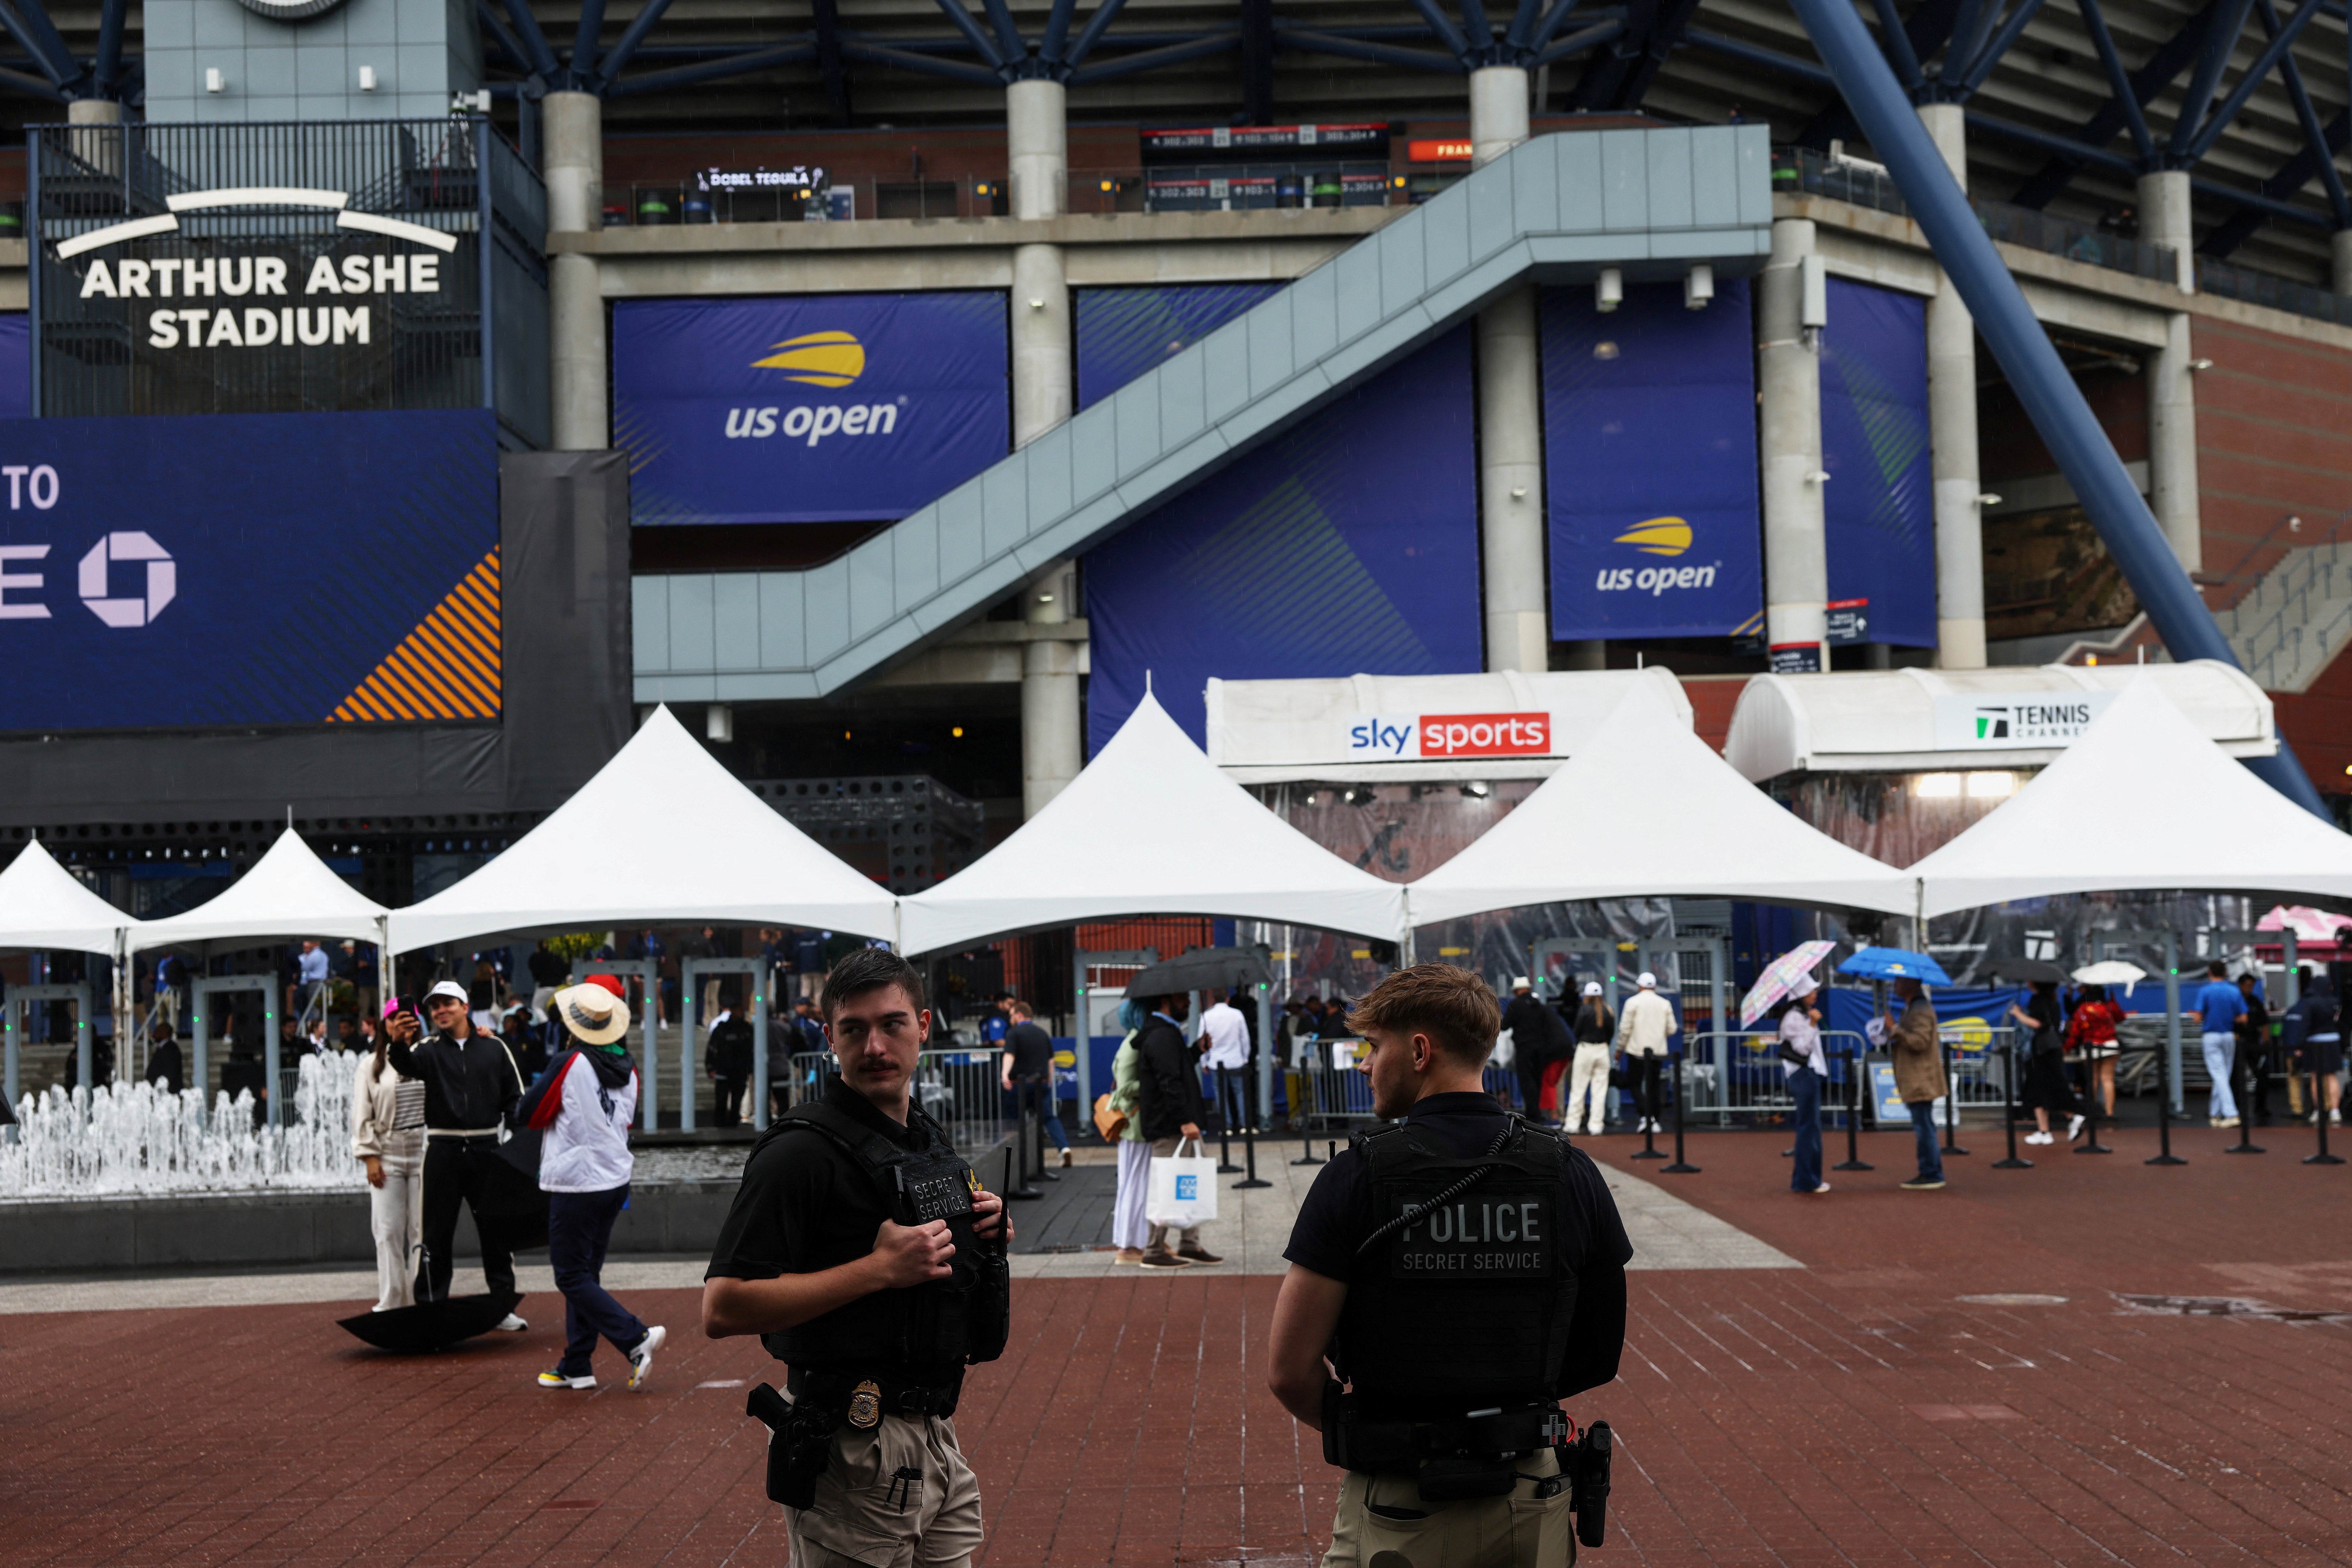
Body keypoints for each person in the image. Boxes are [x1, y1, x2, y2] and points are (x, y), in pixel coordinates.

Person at [1266, 964, 1632, 1568]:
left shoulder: (1355, 1176)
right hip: (1528, 1500)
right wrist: (1502, 1402)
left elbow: (1288, 1369)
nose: (1364, 1064)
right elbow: (1597, 1350)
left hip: (1400, 1504)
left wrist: (1377, 1430)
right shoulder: (1568, 1170)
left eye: (1373, 1046)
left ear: (1417, 1049)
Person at [702, 948, 1011, 1568]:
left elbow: (933, 1256)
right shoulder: (797, 1155)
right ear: (828, 1036)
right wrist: (875, 1270)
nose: (874, 1045)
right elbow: (723, 1303)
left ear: (924, 1024)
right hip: (849, 1445)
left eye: (891, 1023)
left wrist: (988, 1226)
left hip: (934, 1439)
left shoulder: (921, 1134)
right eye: (853, 1028)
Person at [519, 979, 665, 1391]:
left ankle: (635, 1337)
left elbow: (528, 1112)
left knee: (570, 1275)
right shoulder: (628, 1064)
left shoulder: (569, 1060)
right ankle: (577, 1362)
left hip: (576, 1182)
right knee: (587, 1274)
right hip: (614, 1176)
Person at [388, 978, 530, 1322]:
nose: (440, 1010)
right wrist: (397, 1043)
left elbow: (515, 1102)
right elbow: (405, 1065)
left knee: (496, 1231)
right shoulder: (427, 1048)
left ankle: (502, 1305)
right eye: (435, 1005)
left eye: (448, 1003)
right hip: (443, 1149)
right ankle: (431, 1307)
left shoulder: (494, 1047)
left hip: (487, 1149)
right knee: (435, 1233)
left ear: (465, 1007)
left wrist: (524, 1148)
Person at [352, 1001, 427, 1313]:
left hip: (425, 1147)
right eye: (395, 1018)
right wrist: (369, 1155)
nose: (401, 1023)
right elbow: (361, 1112)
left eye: (407, 1018)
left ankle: (423, 1297)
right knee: (387, 1229)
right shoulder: (371, 1065)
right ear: (385, 1024)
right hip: (388, 1150)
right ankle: (393, 1299)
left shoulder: (429, 1055)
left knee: (422, 1229)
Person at [1135, 990, 1219, 1269]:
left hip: (1174, 1124)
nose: (1188, 1001)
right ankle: (1154, 1249)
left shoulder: (1165, 1032)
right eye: (1182, 997)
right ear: (1164, 1000)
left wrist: (1196, 1050)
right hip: (1171, 1125)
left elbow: (1176, 1070)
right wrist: (1185, 1119)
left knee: (1188, 1182)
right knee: (1166, 1185)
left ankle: (1188, 1243)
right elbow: (1169, 1080)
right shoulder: (1162, 1035)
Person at [1888, 976, 1945, 1190]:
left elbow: (1919, 1041)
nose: (1895, 985)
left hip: (1920, 1077)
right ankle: (1931, 1171)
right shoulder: (1914, 1006)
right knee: (1925, 1125)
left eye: (1899, 982)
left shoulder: (1919, 1008)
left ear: (1911, 984)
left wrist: (1895, 1029)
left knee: (1924, 1127)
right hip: (1918, 1076)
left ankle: (1931, 1173)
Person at [2007, 980, 2082, 1145]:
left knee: (2041, 1088)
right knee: (2042, 1090)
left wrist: (2019, 1015)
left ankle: (2071, 1116)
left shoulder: (2038, 1000)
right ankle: (2047, 1130)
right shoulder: (2053, 1001)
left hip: (2041, 1052)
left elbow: (2037, 1024)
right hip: (2049, 1050)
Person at [1106, 999, 1152, 1263]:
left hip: (1133, 1125)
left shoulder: (1132, 1040)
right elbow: (1125, 1087)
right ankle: (1130, 1245)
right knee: (1136, 1185)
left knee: (1132, 1184)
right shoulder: (1134, 1044)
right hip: (1136, 1124)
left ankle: (1134, 1242)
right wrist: (1152, 1080)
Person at [999, 999, 1070, 1166]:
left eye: (1011, 1016)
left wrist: (1005, 1075)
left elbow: (1010, 1055)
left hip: (1020, 1084)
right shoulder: (1042, 1033)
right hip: (1041, 1083)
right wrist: (1050, 1081)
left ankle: (1015, 1159)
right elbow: (1051, 1061)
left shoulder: (1014, 1034)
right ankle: (1064, 1149)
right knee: (1049, 1117)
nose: (1010, 1021)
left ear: (1019, 1015)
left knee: (1013, 1119)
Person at [1780, 985, 1831, 1192]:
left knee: (1810, 1129)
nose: (1815, 994)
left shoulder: (1799, 1016)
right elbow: (1802, 1048)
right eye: (1811, 991)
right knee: (1808, 1129)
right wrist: (1811, 1024)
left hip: (1807, 1075)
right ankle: (1806, 1181)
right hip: (1804, 1075)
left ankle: (1807, 1178)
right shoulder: (1794, 1018)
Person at [1614, 971, 1678, 1133]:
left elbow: (1624, 1029)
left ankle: (1645, 1116)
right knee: (1654, 1086)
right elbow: (1672, 1029)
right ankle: (1655, 1119)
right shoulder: (1664, 1003)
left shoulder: (1632, 1002)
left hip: (1636, 1051)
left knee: (1635, 1084)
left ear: (1640, 986)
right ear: (1655, 986)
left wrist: (1619, 1049)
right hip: (1658, 1052)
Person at [2283, 965, 2343, 1126]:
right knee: (2332, 1077)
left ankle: (2318, 1111)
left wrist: (2300, 1046)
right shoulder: (2335, 1002)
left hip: (2315, 1042)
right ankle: (2335, 1111)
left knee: (2316, 1077)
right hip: (2333, 1041)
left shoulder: (2310, 1003)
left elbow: (2305, 1026)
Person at [2192, 960, 2246, 1128]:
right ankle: (2215, 1114)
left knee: (2219, 1075)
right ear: (2225, 972)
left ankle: (2231, 1113)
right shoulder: (2234, 991)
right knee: (2223, 1075)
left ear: (2209, 972)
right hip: (2229, 1035)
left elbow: (2197, 1018)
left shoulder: (2205, 991)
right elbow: (2244, 1018)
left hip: (2211, 1036)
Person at [2064, 981, 2125, 1117]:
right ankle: (2110, 1112)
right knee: (2108, 1080)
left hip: (2091, 1046)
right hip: (2111, 1045)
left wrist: (2067, 1047)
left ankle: (2091, 1111)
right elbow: (2121, 1018)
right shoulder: (2109, 1006)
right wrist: (2113, 1000)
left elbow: (2075, 1032)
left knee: (2093, 1079)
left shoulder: (2083, 1009)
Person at [1565, 981, 1615, 1137]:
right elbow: (1611, 1034)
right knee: (1599, 1092)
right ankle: (1596, 1126)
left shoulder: (1584, 1009)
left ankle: (1573, 1124)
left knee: (1578, 1089)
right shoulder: (1608, 1010)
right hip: (1602, 1050)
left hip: (1585, 1049)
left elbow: (1577, 1031)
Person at [1198, 988, 1252, 1133]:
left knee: (1221, 1094)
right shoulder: (1237, 1014)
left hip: (1216, 1061)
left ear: (1214, 1000)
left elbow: (1202, 1042)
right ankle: (1244, 1125)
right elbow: (1245, 1039)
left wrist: (1204, 1062)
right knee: (1240, 1092)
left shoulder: (1207, 1016)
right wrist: (1245, 1057)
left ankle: (1226, 1126)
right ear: (1228, 1000)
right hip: (1236, 1059)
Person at [2236, 971, 2274, 1126]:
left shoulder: (2255, 1001)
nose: (2249, 989)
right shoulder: (2234, 1000)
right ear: (2240, 986)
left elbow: (2264, 1024)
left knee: (2263, 1074)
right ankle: (2236, 1108)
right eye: (2247, 986)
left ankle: (2261, 1107)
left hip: (2253, 1043)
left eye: (2252, 986)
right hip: (2238, 1042)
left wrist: (2266, 1042)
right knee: (2236, 1077)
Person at [710, 1004, 755, 1128]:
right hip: (726, 1069)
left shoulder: (746, 1029)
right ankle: (722, 1125)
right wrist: (711, 1067)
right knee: (722, 1101)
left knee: (736, 1101)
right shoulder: (725, 1029)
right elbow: (712, 1048)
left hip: (738, 1070)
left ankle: (731, 1125)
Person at [527, 941, 571, 1017]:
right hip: (560, 987)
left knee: (537, 1007)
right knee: (556, 1008)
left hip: (545, 986)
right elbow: (567, 971)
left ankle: (546, 1024)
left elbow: (535, 973)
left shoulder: (537, 956)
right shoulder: (560, 956)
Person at [145, 1018, 184, 1096]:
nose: (154, 1034)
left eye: (157, 1031)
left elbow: (171, 1071)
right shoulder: (163, 1048)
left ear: (165, 1033)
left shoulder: (171, 1049)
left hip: (168, 1092)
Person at [467, 959, 502, 1036]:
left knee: (478, 1032)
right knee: (492, 1033)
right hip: (490, 1010)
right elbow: (502, 992)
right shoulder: (493, 981)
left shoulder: (475, 982)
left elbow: (472, 997)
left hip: (478, 1011)